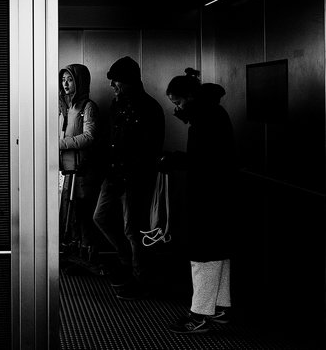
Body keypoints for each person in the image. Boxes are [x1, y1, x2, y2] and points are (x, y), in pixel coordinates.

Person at [161, 68, 237, 334]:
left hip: (208, 195)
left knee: (203, 255)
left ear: (190, 97)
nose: (178, 110)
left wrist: (176, 159)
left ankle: (200, 313)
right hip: (220, 194)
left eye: (178, 103)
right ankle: (219, 306)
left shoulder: (205, 118)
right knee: (218, 252)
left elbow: (203, 160)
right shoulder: (213, 113)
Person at [93, 56, 165, 300]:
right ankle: (126, 260)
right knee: (100, 217)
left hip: (134, 177)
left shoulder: (150, 108)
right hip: (114, 174)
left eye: (117, 82)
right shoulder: (118, 105)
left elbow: (151, 147)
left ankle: (140, 277)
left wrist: (134, 170)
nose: (113, 87)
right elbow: (110, 137)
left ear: (130, 82)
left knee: (133, 229)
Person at [58, 63, 103, 273]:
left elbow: (89, 137)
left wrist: (59, 143)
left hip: (84, 170)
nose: (65, 83)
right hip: (67, 170)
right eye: (64, 79)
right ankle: (74, 257)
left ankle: (89, 258)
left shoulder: (88, 107)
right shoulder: (63, 106)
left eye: (70, 79)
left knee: (84, 214)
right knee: (70, 214)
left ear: (80, 82)